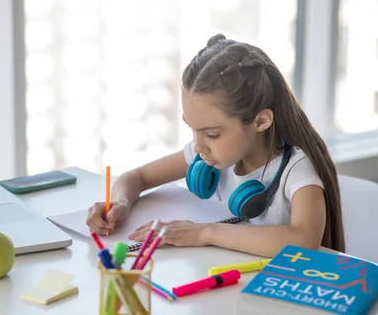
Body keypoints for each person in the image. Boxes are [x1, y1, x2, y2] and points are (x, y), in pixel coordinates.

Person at [85, 34, 344, 258]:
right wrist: (119, 203)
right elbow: (137, 177)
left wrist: (204, 232)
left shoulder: (296, 170)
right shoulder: (212, 155)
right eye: (192, 129)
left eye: (211, 134)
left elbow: (304, 241)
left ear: (261, 121)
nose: (198, 147)